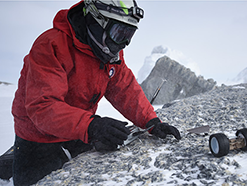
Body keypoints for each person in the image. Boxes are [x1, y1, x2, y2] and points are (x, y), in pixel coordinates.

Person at [10, 0, 181, 185]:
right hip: (38, 136)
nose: (123, 44)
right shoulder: (51, 45)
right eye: (119, 33)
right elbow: (43, 107)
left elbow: (124, 88)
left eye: (128, 35)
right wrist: (92, 127)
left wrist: (151, 121)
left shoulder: (106, 51)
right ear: (95, 21)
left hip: (78, 129)